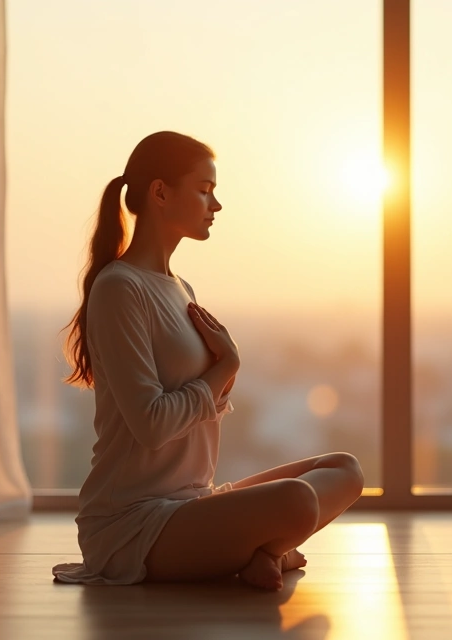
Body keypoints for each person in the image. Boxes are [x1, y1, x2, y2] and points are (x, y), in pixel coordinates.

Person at [51, 131, 364, 590]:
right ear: (160, 192)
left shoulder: (180, 287)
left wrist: (220, 380)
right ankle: (263, 549)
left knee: (345, 469)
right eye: (204, 190)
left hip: (192, 504)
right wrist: (225, 368)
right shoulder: (120, 288)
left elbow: (196, 409)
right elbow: (151, 424)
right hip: (136, 524)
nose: (215, 205)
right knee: (297, 500)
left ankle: (262, 550)